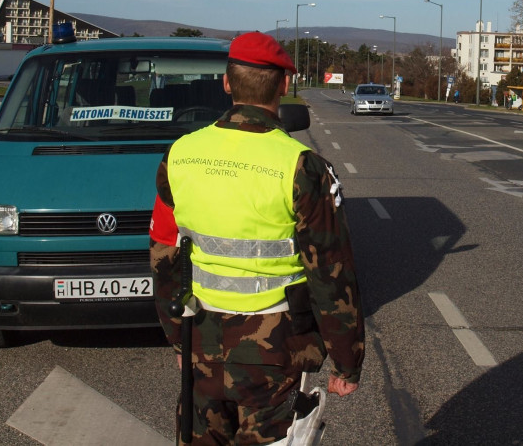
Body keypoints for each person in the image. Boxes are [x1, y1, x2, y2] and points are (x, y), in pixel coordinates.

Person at [150, 31, 364, 445]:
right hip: (275, 350)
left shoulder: (179, 154)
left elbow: (163, 254)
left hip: (202, 340)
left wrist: (177, 336)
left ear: (227, 83)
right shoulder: (302, 166)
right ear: (284, 85)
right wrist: (345, 362)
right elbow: (332, 274)